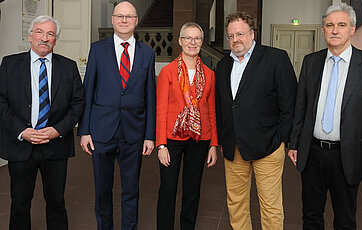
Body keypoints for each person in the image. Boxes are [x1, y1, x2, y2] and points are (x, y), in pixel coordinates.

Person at [288, 3, 362, 229]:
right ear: (323, 30)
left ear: (352, 29)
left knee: (345, 219)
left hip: (347, 155)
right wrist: (294, 143)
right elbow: (301, 106)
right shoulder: (311, 62)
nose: (335, 30)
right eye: (330, 25)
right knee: (310, 216)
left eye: (341, 25)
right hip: (313, 153)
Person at [0, 15, 85, 230]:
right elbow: (1, 101)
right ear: (30, 36)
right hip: (21, 145)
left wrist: (58, 130)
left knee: (56, 202)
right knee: (19, 204)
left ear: (55, 40)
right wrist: (22, 131)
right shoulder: (10, 64)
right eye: (39, 32)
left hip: (55, 146)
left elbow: (78, 104)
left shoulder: (68, 66)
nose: (44, 38)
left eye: (50, 34)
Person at [77, 1, 156, 230]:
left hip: (134, 132)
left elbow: (150, 96)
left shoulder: (147, 53)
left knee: (131, 189)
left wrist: (149, 135)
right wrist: (84, 130)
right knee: (102, 189)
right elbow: (88, 90)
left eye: (128, 16)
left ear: (135, 21)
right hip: (102, 131)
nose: (123, 20)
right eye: (119, 16)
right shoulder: (97, 49)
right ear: (112, 20)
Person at [215, 11, 297, 230]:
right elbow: (222, 106)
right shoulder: (222, 66)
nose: (235, 40)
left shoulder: (276, 58)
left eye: (240, 34)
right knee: (236, 203)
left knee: (270, 205)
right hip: (234, 148)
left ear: (252, 33)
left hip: (268, 146)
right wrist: (224, 139)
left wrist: (281, 138)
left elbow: (289, 102)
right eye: (231, 36)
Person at [156, 22, 218, 230]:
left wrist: (213, 144)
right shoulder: (167, 72)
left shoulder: (209, 74)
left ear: (202, 42)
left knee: (192, 190)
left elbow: (211, 111)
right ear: (180, 41)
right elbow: (161, 110)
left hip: (200, 139)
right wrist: (161, 145)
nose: (193, 42)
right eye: (188, 38)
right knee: (168, 189)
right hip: (172, 139)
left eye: (197, 38)